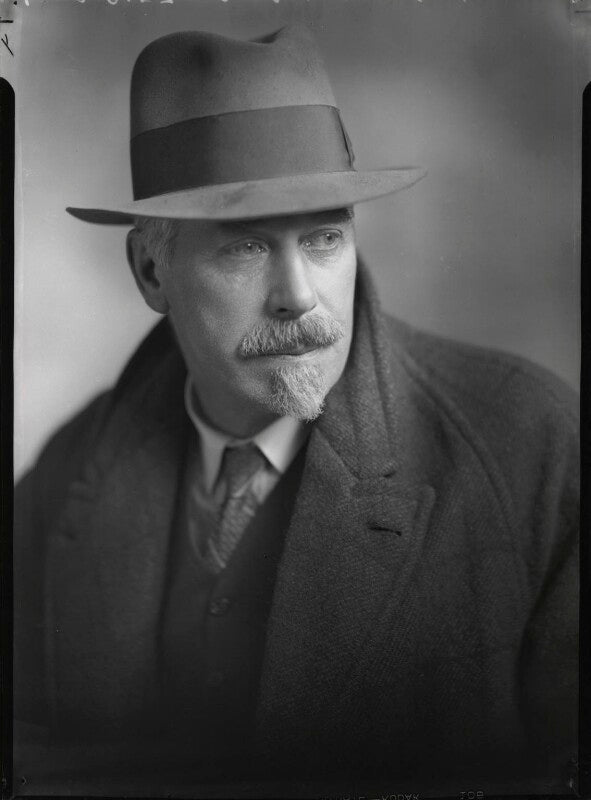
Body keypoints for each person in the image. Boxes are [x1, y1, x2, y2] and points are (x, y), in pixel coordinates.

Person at [14, 23, 578, 796]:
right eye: (244, 248)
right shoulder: (65, 476)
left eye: (322, 239)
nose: (300, 297)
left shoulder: (532, 449)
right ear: (150, 269)